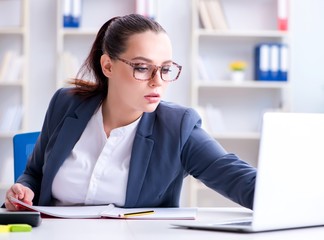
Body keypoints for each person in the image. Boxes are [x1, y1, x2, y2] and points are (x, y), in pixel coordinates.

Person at [4, 14, 256, 210]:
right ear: (107, 66)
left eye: (166, 69)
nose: (157, 81)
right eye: (143, 68)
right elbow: (34, 174)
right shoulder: (65, 104)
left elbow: (238, 178)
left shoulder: (177, 127)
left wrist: (289, 199)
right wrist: (23, 191)